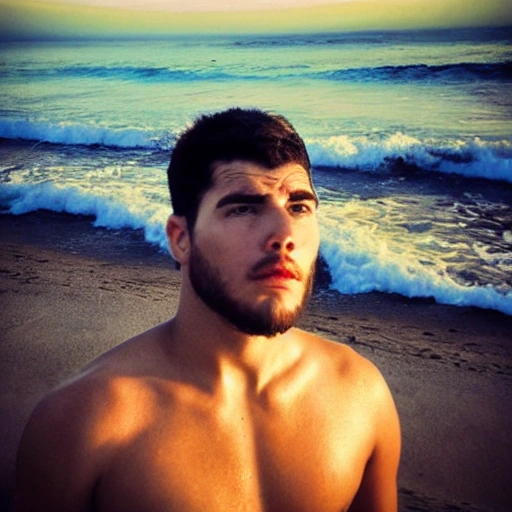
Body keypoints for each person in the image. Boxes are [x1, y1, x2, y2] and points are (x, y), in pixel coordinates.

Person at [14, 108, 401, 512]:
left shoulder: (359, 396)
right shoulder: (82, 424)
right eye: (244, 208)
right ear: (181, 239)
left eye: (299, 207)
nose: (284, 235)